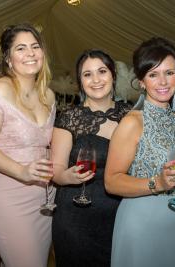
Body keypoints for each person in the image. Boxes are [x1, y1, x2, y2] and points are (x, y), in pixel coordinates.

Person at [104, 37, 175, 267]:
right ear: (141, 81)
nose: (163, 81)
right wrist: (157, 183)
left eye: (169, 73)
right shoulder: (132, 123)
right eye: (153, 74)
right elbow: (111, 182)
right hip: (141, 224)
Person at [0, 23, 55, 267]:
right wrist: (22, 171)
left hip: (46, 198)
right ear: (8, 58)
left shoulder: (48, 95)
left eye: (35, 46)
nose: (30, 53)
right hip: (11, 200)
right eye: (21, 48)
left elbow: (47, 146)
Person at [51, 49, 131, 267]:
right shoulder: (70, 117)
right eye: (87, 74)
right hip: (76, 218)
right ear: (80, 81)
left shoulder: (132, 116)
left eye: (102, 71)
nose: (96, 80)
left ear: (113, 75)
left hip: (122, 216)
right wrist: (67, 176)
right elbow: (56, 171)